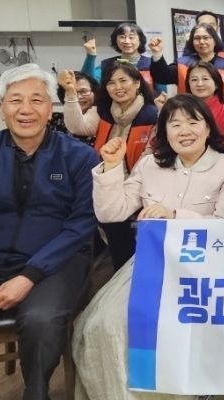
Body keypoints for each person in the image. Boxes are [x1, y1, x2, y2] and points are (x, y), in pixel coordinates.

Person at [73, 94, 224, 400]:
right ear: (164, 131)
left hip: (204, 270)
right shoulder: (149, 165)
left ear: (208, 128)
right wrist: (111, 168)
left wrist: (174, 215)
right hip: (152, 265)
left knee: (173, 327)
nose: (184, 131)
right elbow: (111, 212)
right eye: (174, 124)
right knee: (102, 326)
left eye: (193, 122)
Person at [0, 63, 98, 400]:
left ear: (51, 108)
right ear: (1, 109)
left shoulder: (79, 157)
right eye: (15, 100)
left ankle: (36, 392)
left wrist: (29, 275)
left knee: (40, 319)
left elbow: (82, 223)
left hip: (57, 263)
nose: (25, 109)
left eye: (36, 100)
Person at [85, 61, 158, 270]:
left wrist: (128, 186)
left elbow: (149, 157)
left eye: (123, 81)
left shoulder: (153, 114)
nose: (117, 87)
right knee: (118, 247)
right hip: (107, 184)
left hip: (138, 188)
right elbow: (78, 125)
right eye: (111, 83)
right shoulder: (103, 112)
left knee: (141, 254)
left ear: (137, 83)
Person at [149, 23, 224, 119]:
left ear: (214, 40)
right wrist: (157, 54)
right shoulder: (183, 63)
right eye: (197, 38)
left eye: (206, 37)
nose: (201, 41)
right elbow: (162, 76)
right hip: (188, 115)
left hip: (220, 116)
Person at [80, 22, 167, 94]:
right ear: (115, 40)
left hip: (147, 108)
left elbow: (162, 94)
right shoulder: (107, 64)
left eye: (131, 37)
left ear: (140, 40)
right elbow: (87, 83)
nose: (127, 41)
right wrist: (91, 55)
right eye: (122, 37)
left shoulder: (152, 64)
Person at [185, 60, 224, 153]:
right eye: (194, 80)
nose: (199, 84)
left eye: (205, 79)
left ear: (216, 84)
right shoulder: (180, 111)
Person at [56, 70, 99, 140]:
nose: (79, 97)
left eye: (83, 91)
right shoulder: (55, 119)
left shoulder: (101, 114)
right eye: (74, 92)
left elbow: (77, 127)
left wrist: (71, 94)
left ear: (94, 92)